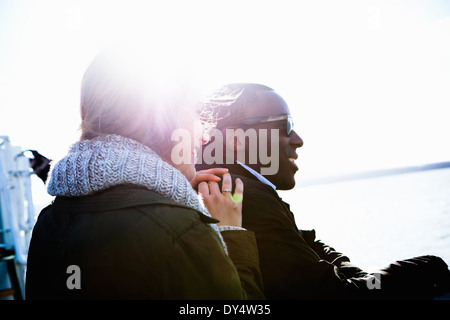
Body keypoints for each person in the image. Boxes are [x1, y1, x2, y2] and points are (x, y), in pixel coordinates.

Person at [25, 50, 264, 300]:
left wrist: (164, 193)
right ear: (161, 118)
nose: (204, 136)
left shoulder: (48, 222)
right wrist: (230, 233)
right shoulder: (183, 233)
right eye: (196, 112)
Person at [197, 82, 450, 299]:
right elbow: (331, 296)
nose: (298, 139)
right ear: (235, 140)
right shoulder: (240, 195)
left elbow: (309, 243)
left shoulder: (233, 186)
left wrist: (362, 278)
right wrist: (425, 268)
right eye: (285, 125)